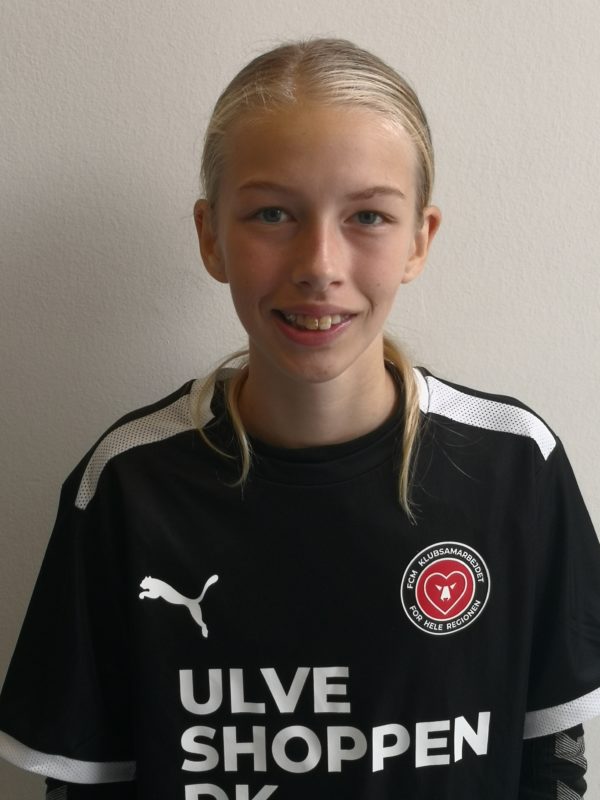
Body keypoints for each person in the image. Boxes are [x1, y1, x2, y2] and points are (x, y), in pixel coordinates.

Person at [0, 38, 598, 800]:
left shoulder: (514, 467)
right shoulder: (128, 484)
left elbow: (551, 763)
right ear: (211, 236)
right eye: (273, 213)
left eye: (368, 215)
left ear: (419, 239)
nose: (319, 264)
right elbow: (86, 785)